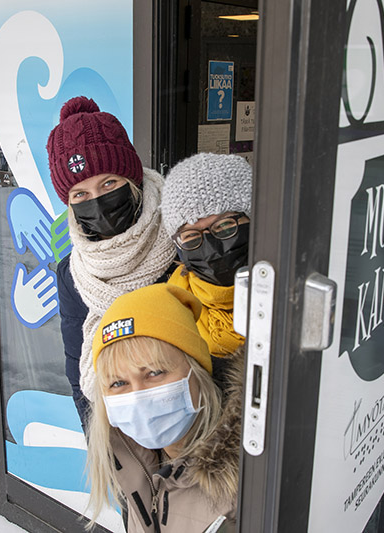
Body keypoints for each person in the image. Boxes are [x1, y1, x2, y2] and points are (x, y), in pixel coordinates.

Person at [47, 96, 176, 427]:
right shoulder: (72, 274)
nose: (98, 203)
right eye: (81, 195)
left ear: (132, 181)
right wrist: (102, 449)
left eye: (108, 183)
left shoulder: (181, 242)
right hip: (124, 432)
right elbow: (78, 368)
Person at [85, 283, 242, 532]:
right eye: (118, 382)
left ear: (196, 370)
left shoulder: (243, 484)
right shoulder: (129, 460)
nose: (138, 396)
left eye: (154, 372)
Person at [160, 153, 252, 364]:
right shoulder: (171, 314)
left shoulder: (292, 294)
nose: (211, 247)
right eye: (191, 235)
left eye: (224, 225)